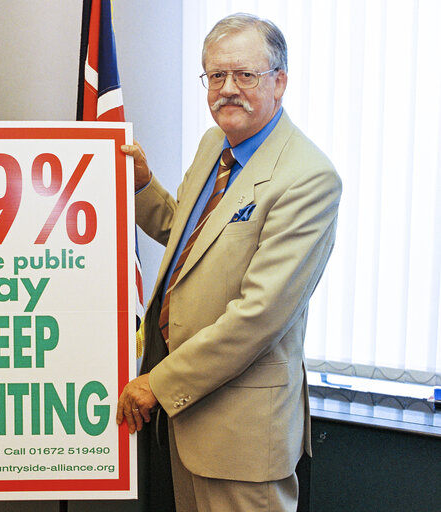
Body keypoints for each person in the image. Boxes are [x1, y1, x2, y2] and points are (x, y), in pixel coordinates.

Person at [117, 13, 341, 512]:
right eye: (216, 76)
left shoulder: (308, 178)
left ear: (279, 82)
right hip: (189, 422)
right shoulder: (214, 145)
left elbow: (258, 316)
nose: (227, 89)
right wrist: (140, 184)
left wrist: (159, 382)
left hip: (242, 436)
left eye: (245, 75)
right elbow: (189, 239)